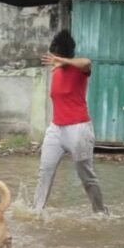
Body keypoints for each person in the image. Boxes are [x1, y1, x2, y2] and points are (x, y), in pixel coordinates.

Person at [33, 29, 108, 215]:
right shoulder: (56, 72)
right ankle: (36, 212)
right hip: (56, 129)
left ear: (64, 56)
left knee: (86, 176)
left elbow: (87, 62)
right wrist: (58, 64)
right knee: (45, 172)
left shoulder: (79, 69)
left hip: (79, 128)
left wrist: (63, 61)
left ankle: (100, 213)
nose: (53, 59)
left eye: (56, 56)